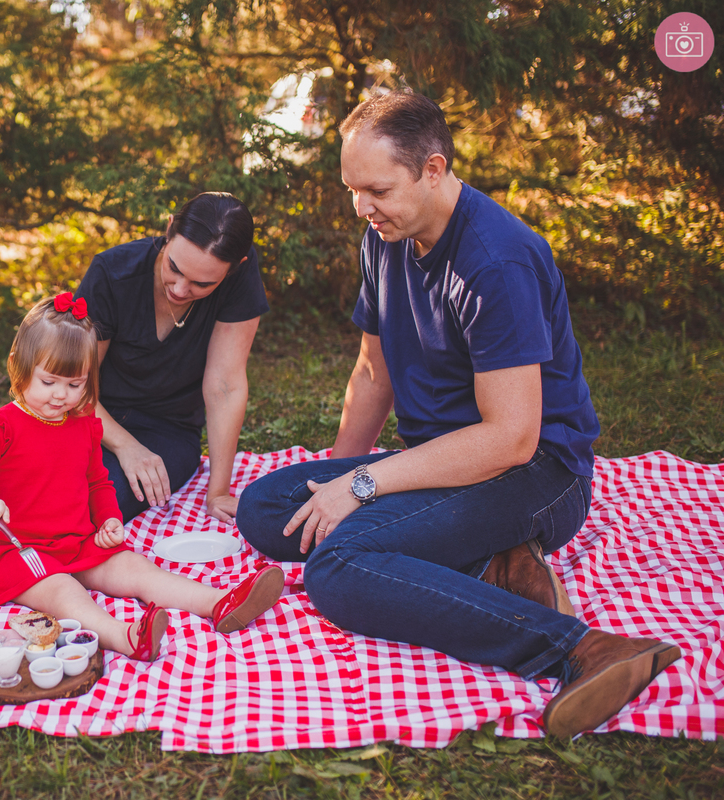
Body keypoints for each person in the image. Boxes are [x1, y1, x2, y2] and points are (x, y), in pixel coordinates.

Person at [234, 91, 680, 737]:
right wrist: (334, 481)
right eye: (353, 189)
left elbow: (511, 438)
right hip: (444, 463)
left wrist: (362, 487)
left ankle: (582, 649)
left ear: (434, 170)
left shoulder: (495, 261)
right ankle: (493, 562)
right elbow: (372, 372)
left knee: (338, 570)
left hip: (534, 474)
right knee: (269, 508)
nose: (362, 207)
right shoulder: (385, 236)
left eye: (377, 189)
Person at [0, 293, 284, 660]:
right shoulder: (0, 426)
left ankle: (220, 602)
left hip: (77, 540)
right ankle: (125, 636)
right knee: (64, 591)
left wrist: (108, 520)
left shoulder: (84, 425)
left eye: (75, 385)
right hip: (19, 550)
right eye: (49, 382)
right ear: (17, 366)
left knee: (135, 567)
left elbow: (97, 483)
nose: (61, 396)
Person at [74, 192, 269, 523]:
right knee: (36, 486)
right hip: (90, 415)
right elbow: (74, 383)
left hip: (167, 430)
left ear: (236, 269)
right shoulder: (111, 273)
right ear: (168, 231)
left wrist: (218, 492)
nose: (179, 289)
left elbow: (225, 385)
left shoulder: (240, 281)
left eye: (201, 283)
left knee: (100, 505)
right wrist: (125, 447)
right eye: (173, 268)